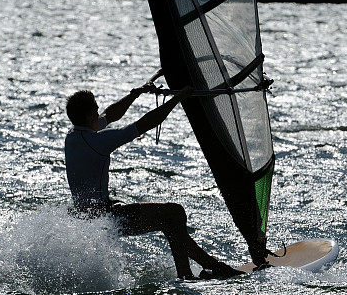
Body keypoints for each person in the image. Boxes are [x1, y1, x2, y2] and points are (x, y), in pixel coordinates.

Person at [64, 83, 242, 279]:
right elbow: (146, 122)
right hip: (105, 219)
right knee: (174, 213)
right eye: (95, 111)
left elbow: (109, 115)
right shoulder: (98, 141)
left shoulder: (73, 137)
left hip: (90, 215)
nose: (99, 115)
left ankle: (214, 267)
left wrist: (135, 94)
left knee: (170, 221)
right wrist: (177, 99)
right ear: (89, 116)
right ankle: (187, 274)